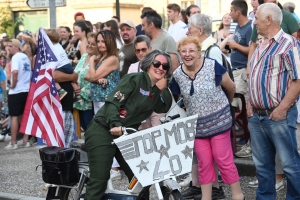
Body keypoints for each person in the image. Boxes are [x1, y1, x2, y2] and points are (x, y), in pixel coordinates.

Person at [84, 49, 173, 200]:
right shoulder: (134, 79)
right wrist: (115, 124)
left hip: (125, 135)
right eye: (157, 63)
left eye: (165, 67)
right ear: (148, 64)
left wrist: (164, 88)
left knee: (142, 175)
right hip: (103, 130)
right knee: (99, 181)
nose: (160, 68)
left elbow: (162, 107)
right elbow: (113, 102)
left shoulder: (154, 91)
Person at [173, 36, 244, 200]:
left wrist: (224, 106)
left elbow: (231, 87)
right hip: (197, 127)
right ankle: (207, 198)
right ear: (179, 54)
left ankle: (238, 196)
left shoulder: (212, 65)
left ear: (198, 52)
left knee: (222, 159)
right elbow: (178, 99)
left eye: (191, 50)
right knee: (204, 163)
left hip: (220, 122)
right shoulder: (177, 74)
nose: (187, 54)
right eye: (183, 51)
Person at [248, 3, 300, 199]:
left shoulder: (290, 44)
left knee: (290, 164)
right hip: (257, 115)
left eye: (257, 18)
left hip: (278, 115)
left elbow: (298, 81)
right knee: (262, 166)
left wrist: (282, 109)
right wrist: (249, 102)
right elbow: (254, 76)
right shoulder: (261, 43)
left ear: (268, 19)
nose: (254, 23)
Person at [181, 13, 225, 200]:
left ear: (199, 30)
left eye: (190, 27)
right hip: (197, 111)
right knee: (198, 151)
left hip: (213, 112)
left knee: (212, 153)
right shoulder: (198, 49)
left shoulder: (212, 50)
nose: (187, 30)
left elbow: (222, 83)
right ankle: (197, 185)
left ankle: (214, 189)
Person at [4, 39, 31, 150]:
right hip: (26, 89)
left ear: (16, 47)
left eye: (11, 46)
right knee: (23, 115)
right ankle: (25, 139)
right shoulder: (25, 57)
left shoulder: (15, 57)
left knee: (14, 116)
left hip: (17, 90)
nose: (9, 48)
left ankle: (13, 142)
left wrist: (13, 84)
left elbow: (15, 72)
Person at [84, 30, 119, 114]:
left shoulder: (112, 58)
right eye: (98, 41)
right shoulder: (101, 57)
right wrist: (97, 79)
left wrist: (92, 60)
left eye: (103, 41)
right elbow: (86, 76)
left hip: (107, 100)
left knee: (104, 126)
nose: (100, 44)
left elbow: (92, 76)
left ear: (110, 42)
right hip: (98, 98)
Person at [73, 32, 99, 131]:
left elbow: (94, 77)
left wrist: (81, 91)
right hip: (79, 98)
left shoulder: (98, 59)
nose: (89, 46)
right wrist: (75, 86)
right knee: (83, 125)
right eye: (88, 43)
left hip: (90, 99)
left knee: (90, 126)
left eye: (93, 44)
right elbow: (75, 73)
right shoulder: (84, 56)